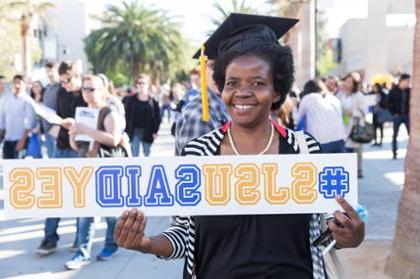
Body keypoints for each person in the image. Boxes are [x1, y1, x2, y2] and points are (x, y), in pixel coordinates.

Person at [114, 13, 365, 279]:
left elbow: (325, 231)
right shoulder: (199, 154)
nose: (242, 92)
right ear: (222, 88)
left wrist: (351, 234)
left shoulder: (304, 150)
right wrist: (144, 243)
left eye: (257, 83)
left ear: (277, 91)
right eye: (232, 83)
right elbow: (186, 235)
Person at [63, 75, 128, 269]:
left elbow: (114, 139)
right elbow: (77, 146)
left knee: (110, 212)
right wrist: (73, 134)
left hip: (106, 167)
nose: (87, 92)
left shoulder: (108, 112)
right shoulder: (83, 113)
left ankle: (111, 244)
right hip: (85, 165)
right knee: (85, 212)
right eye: (84, 88)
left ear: (102, 90)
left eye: (91, 89)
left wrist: (86, 129)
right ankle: (82, 253)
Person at [36, 61, 86, 256]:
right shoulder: (61, 92)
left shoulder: (87, 92)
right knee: (55, 195)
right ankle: (50, 238)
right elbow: (55, 114)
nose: (64, 85)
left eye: (68, 81)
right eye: (62, 81)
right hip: (61, 146)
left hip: (81, 150)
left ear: (77, 75)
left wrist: (76, 125)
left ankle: (80, 239)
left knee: (80, 197)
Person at [174, 59, 230, 155]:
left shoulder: (228, 106)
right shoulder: (198, 114)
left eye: (227, 63)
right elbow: (195, 166)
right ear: (203, 70)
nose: (219, 71)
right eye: (213, 65)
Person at [297, 79, 346, 153]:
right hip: (339, 138)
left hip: (320, 140)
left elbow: (298, 119)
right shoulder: (333, 98)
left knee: (320, 164)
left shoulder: (307, 98)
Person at [337, 73, 366, 178]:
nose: (346, 83)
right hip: (342, 126)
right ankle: (348, 171)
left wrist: (352, 113)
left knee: (356, 150)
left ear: (354, 84)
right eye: (346, 81)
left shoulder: (359, 96)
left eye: (349, 81)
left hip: (354, 127)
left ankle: (358, 170)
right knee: (345, 150)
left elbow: (363, 112)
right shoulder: (340, 95)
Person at [0, 75, 36, 159]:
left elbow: (29, 123)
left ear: (25, 85)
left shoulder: (27, 100)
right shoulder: (6, 99)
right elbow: (2, 121)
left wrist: (22, 141)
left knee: (19, 168)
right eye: (15, 83)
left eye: (19, 83)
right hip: (8, 139)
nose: (17, 85)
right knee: (7, 168)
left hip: (21, 140)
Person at [125, 74, 161, 157]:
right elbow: (127, 115)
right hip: (134, 131)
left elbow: (157, 117)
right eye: (139, 83)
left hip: (148, 130)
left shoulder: (153, 100)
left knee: (147, 153)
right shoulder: (131, 100)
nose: (141, 85)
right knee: (134, 154)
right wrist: (126, 131)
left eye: (143, 83)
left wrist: (155, 131)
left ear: (148, 85)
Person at [387, 73, 410, 159]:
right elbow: (388, 103)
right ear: (401, 81)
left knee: (410, 135)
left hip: (407, 116)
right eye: (407, 81)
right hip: (397, 116)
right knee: (395, 135)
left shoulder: (409, 91)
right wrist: (393, 113)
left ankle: (411, 152)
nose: (408, 83)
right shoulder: (393, 91)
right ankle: (394, 152)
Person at [42, 62, 61, 158]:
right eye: (47, 71)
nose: (49, 74)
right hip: (47, 131)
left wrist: (57, 126)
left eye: (52, 71)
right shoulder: (47, 89)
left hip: (57, 131)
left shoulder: (62, 87)